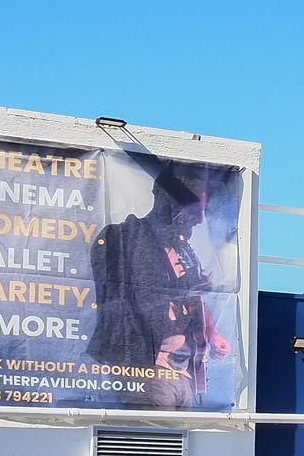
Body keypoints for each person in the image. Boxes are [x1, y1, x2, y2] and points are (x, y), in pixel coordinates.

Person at [87, 166, 230, 409]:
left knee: (184, 443)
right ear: (168, 203)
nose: (198, 220)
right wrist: (185, 290)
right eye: (193, 211)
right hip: (147, 371)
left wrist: (213, 335)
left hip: (184, 373)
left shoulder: (184, 250)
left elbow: (195, 299)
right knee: (153, 441)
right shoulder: (128, 238)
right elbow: (137, 298)